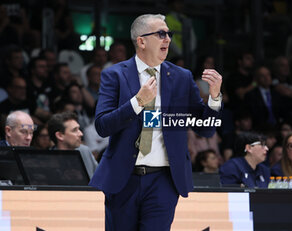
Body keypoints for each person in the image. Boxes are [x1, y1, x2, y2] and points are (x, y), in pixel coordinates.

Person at [89, 14, 222, 231]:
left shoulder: (181, 77)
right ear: (141, 41)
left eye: (169, 34)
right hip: (124, 178)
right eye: (161, 34)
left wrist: (214, 98)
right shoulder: (114, 75)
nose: (168, 39)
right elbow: (103, 126)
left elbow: (205, 129)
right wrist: (137, 102)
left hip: (164, 180)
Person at [47, 112, 98, 179]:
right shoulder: (48, 160)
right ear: (60, 135)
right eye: (74, 130)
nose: (81, 134)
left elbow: (100, 178)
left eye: (79, 129)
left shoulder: (85, 151)